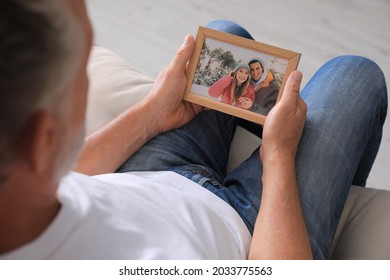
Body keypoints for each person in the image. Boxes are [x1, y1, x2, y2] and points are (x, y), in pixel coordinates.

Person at [0, 2, 387, 261]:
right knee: (355, 74)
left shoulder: (18, 193)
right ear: (44, 138)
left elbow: (69, 179)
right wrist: (279, 156)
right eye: (82, 63)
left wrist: (153, 112)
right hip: (251, 234)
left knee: (223, 32)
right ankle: (332, 215)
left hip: (150, 176)